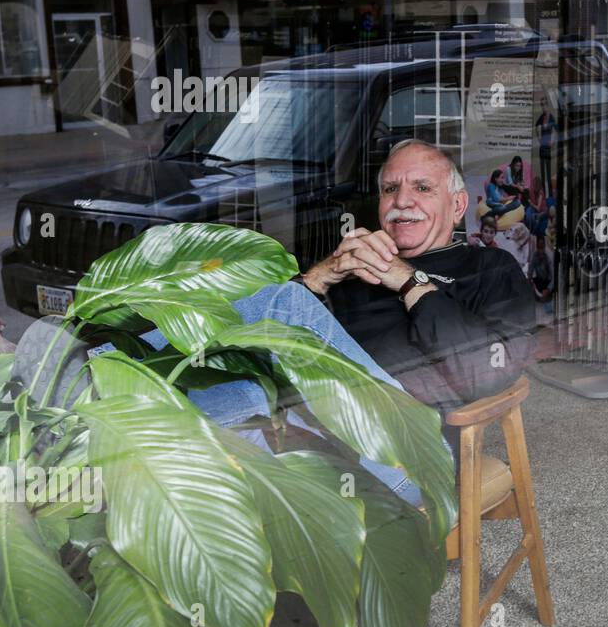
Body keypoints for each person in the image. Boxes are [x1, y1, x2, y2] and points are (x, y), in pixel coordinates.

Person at [81, 142, 534, 507]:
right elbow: (270, 345)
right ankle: (95, 426)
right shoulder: (358, 267)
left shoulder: (490, 269)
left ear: (457, 206)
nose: (402, 202)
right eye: (391, 189)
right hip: (311, 430)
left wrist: (409, 282)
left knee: (285, 307)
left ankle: (97, 367)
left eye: (421, 188)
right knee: (245, 391)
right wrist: (324, 275)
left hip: (406, 455)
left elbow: (485, 372)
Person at [535, 107, 557, 193]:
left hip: (548, 147)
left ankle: (550, 191)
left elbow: (557, 129)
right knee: (542, 170)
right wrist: (539, 139)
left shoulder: (551, 117)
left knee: (548, 169)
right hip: (542, 146)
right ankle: (544, 191)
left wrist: (553, 141)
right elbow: (536, 127)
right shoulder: (541, 117)